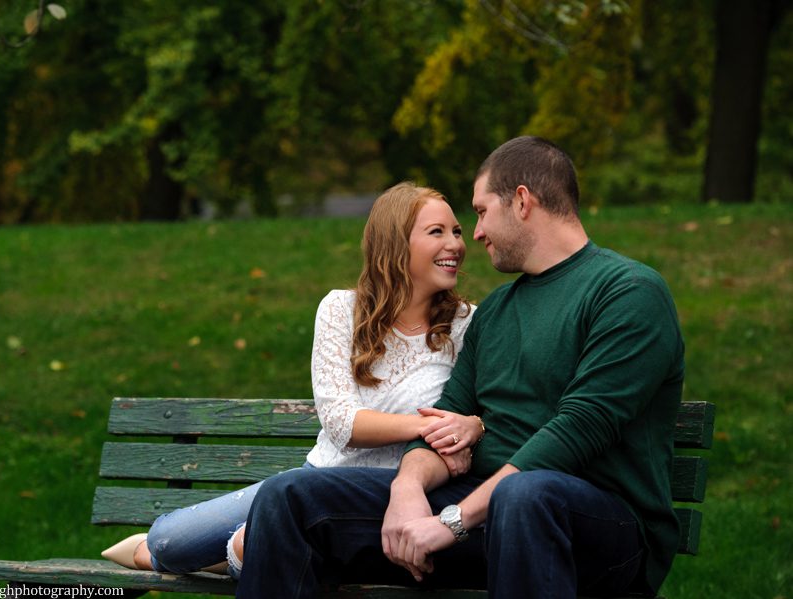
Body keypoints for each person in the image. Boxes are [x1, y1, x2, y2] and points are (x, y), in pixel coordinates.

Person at [235, 136, 686, 599]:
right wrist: (406, 491)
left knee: (524, 495)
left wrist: (453, 521)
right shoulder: (496, 312)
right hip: (483, 513)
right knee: (290, 499)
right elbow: (446, 413)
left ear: (523, 202)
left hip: (597, 527)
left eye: (482, 211)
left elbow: (579, 429)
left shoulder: (627, 292)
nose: (475, 233)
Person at [101, 181, 482, 577]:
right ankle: (188, 553)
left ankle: (246, 550)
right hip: (313, 481)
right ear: (394, 244)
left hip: (380, 500)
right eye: (437, 232)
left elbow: (476, 413)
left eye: (456, 231)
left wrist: (470, 425)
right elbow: (341, 423)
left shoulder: (467, 325)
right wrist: (427, 424)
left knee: (251, 544)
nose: (455, 243)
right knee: (168, 542)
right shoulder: (341, 310)